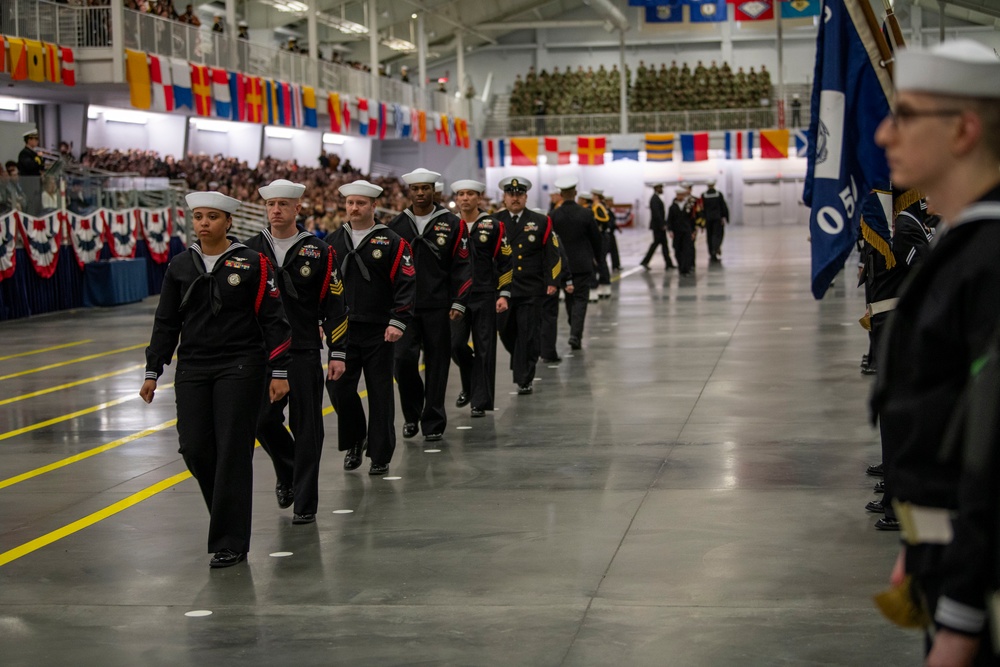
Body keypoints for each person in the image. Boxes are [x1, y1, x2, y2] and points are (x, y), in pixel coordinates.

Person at [869, 40, 1000, 665]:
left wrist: (960, 620)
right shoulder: (960, 245)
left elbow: (994, 460)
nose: (883, 133)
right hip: (950, 564)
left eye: (907, 115)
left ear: (964, 130)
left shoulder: (990, 263)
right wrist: (920, 547)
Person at [140, 191, 292, 568]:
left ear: (228, 222)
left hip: (240, 367)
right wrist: (153, 369)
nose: (203, 223)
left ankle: (231, 541)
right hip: (192, 367)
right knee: (194, 448)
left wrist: (280, 370)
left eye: (212, 216)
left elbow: (273, 318)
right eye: (198, 217)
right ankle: (227, 516)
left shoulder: (253, 263)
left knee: (232, 453)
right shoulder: (180, 265)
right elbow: (166, 321)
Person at [243, 179, 348, 525]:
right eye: (271, 205)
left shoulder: (318, 250)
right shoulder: (249, 250)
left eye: (283, 205)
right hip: (262, 351)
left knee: (308, 427)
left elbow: (335, 303)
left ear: (297, 209)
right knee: (261, 419)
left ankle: (305, 502)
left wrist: (338, 351)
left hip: (303, 348)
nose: (276, 211)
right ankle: (287, 469)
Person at [325, 180, 415, 476]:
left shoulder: (391, 241)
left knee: (380, 393)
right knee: (337, 387)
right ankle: (355, 438)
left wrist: (398, 319)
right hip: (343, 331)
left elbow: (406, 281)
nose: (354, 208)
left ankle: (380, 454)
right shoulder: (332, 241)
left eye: (360, 203)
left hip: (379, 329)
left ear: (373, 206)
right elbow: (321, 286)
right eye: (350, 202)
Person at [387, 168, 472, 442]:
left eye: (425, 188)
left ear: (434, 190)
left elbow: (463, 265)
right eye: (416, 189)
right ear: (409, 191)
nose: (421, 193)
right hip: (405, 309)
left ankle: (433, 420)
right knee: (402, 362)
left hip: (439, 306)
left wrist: (460, 301)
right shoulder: (396, 226)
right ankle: (412, 414)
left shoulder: (453, 223)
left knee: (437, 364)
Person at [449, 180, 513, 417]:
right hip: (457, 297)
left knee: (485, 348)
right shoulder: (449, 225)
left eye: (470, 194)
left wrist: (503, 293)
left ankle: (480, 401)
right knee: (455, 344)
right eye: (461, 194)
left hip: (485, 294)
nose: (465, 198)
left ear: (479, 198)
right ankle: (469, 379)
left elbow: (505, 260)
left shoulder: (493, 225)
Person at [495, 176, 561, 394]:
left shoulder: (540, 221)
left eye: (519, 194)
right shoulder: (494, 222)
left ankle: (524, 378)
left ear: (525, 197)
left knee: (529, 333)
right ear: (504, 198)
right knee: (505, 330)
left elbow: (552, 253)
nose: (515, 198)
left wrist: (552, 281)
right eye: (511, 195)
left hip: (531, 287)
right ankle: (519, 356)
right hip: (504, 287)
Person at [550, 178, 601, 351]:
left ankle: (575, 329)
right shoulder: (586, 213)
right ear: (575, 193)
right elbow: (596, 239)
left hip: (562, 266)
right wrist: (598, 260)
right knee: (580, 300)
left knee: (570, 300)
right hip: (582, 264)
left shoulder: (553, 215)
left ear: (561, 195)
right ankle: (575, 334)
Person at [640, 183, 674, 270]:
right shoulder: (654, 199)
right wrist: (662, 224)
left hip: (659, 226)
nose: (662, 189)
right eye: (660, 188)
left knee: (663, 245)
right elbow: (656, 214)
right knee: (656, 244)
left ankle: (668, 263)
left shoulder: (656, 198)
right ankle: (645, 261)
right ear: (656, 188)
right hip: (657, 226)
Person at [668, 186, 696, 276]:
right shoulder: (672, 207)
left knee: (686, 250)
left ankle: (685, 269)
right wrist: (670, 230)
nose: (680, 197)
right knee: (677, 249)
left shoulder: (688, 206)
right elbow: (669, 220)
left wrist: (693, 231)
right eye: (678, 195)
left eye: (682, 195)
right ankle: (680, 266)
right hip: (677, 232)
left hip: (686, 231)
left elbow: (692, 219)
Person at [700, 180, 729, 264]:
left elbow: (701, 208)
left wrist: (702, 220)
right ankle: (715, 248)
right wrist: (725, 217)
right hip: (717, 218)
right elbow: (723, 206)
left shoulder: (703, 195)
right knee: (717, 235)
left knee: (709, 236)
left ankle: (711, 253)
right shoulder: (718, 194)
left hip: (708, 219)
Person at [18, 128, 44, 215]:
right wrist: (39, 158)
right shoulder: (24, 153)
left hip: (36, 183)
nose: (37, 141)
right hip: (29, 183)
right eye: (35, 139)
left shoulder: (33, 153)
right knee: (31, 206)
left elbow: (41, 166)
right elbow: (30, 166)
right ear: (29, 140)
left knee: (37, 206)